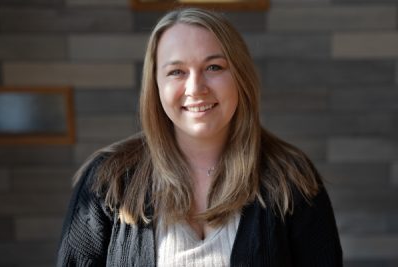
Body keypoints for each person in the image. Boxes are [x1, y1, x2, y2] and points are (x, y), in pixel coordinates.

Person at [57, 7, 342, 267]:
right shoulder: (109, 179)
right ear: (156, 85)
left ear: (241, 77)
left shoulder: (291, 177)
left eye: (214, 67)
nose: (196, 87)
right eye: (177, 71)